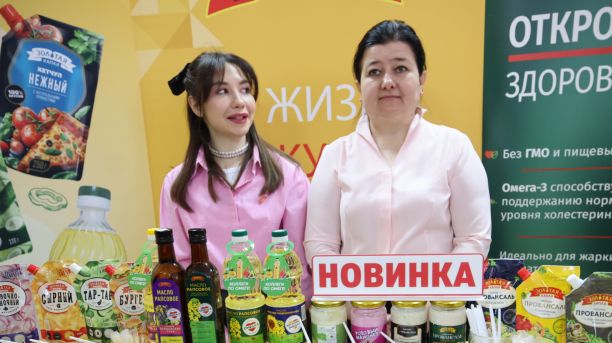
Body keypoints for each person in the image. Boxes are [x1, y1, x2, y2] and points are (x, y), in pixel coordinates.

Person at [304, 20, 491, 263]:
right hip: (356, 290)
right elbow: (320, 245)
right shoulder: (335, 155)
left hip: (434, 290)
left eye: (400, 69)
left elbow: (473, 240)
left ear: (421, 79)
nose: (387, 82)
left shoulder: (454, 147)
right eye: (374, 72)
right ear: (359, 86)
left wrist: (436, 285)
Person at [161, 51, 311, 296]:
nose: (240, 102)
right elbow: (180, 264)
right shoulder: (177, 185)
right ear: (196, 105)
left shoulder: (288, 175)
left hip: (281, 312)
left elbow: (300, 264)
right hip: (209, 315)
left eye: (245, 90)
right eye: (222, 91)